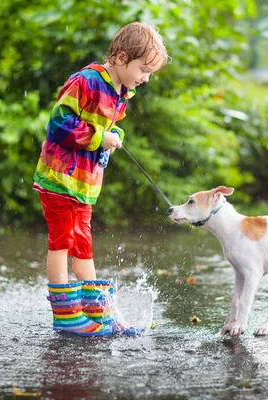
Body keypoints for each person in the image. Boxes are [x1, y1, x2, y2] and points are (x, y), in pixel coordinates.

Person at [33, 22, 169, 336]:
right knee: (62, 242)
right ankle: (65, 316)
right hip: (60, 178)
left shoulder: (122, 90)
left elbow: (109, 125)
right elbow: (58, 124)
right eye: (143, 69)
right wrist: (99, 137)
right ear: (121, 57)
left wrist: (114, 135)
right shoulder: (87, 81)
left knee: (83, 244)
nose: (145, 78)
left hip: (84, 183)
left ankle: (99, 312)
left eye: (150, 73)